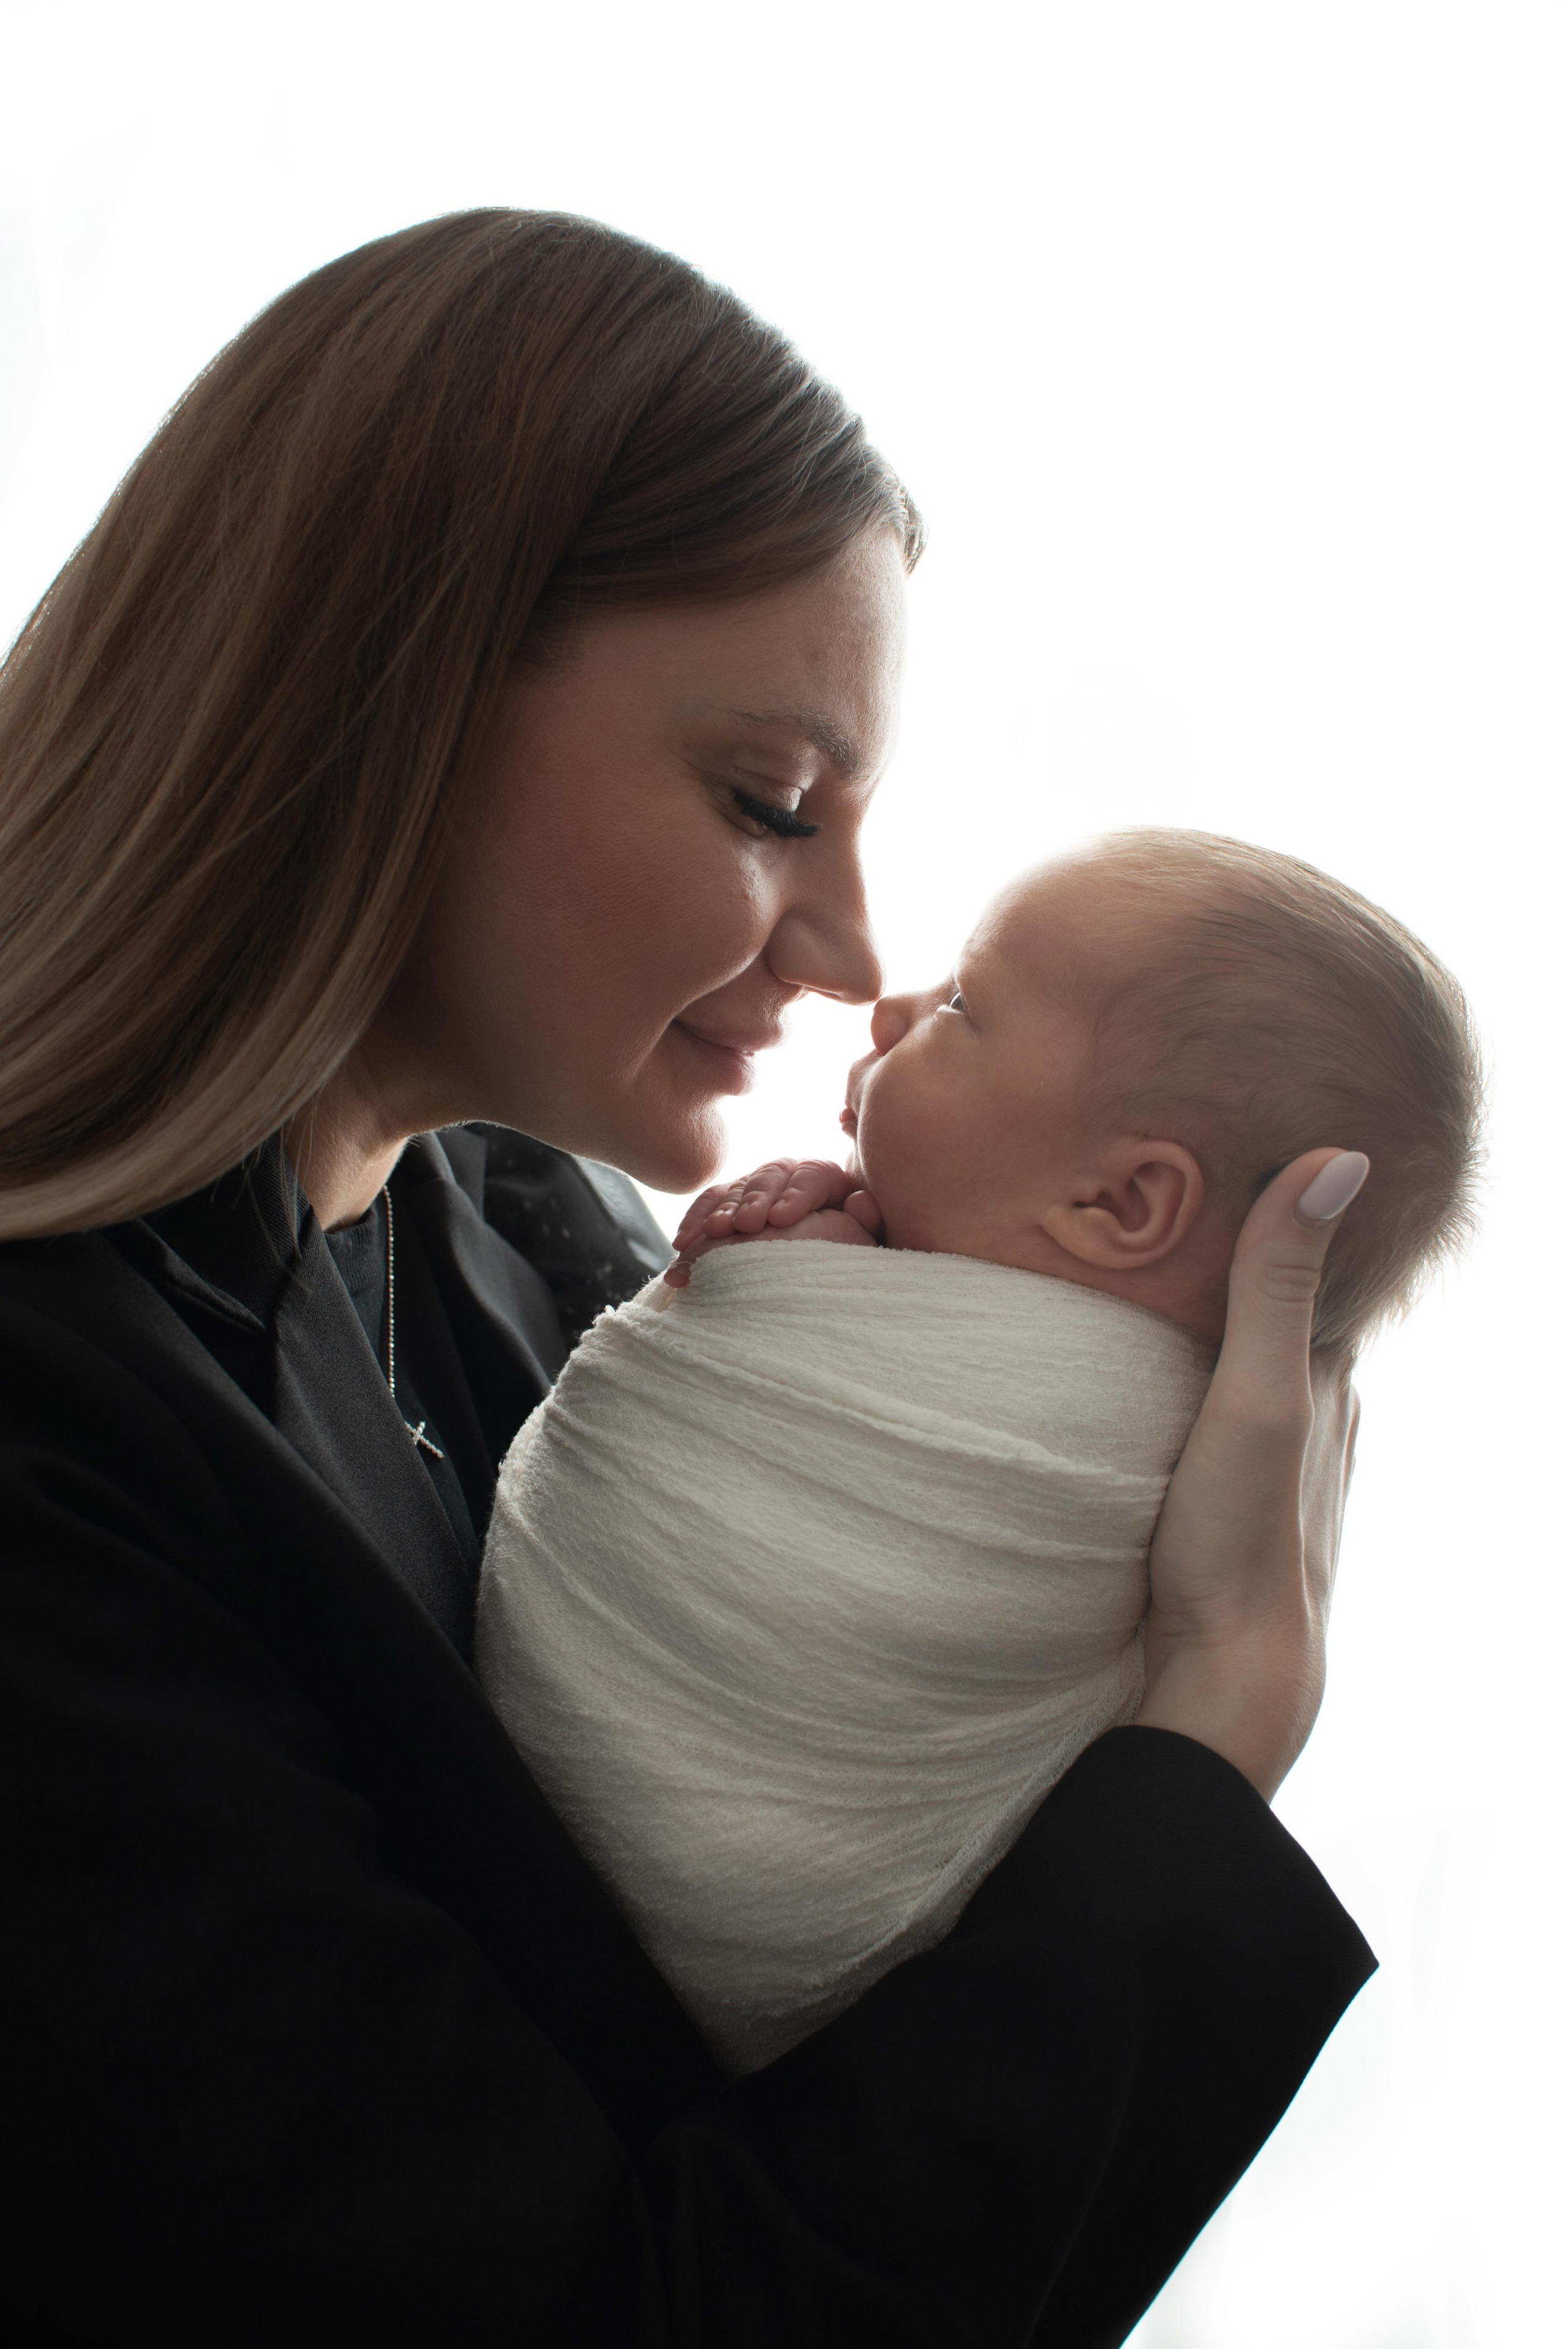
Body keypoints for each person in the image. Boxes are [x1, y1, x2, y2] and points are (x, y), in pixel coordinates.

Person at [0, 209, 1373, 2345]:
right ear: (391, 697)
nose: (853, 951)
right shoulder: (50, 1461)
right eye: (767, 797)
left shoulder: (526, 1240)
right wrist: (1211, 1724)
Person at [477, 829, 1480, 2077]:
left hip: (774, 1944)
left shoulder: (1129, 1440)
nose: (888, 1004)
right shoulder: (937, 1308)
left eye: (961, 1005)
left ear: (1120, 1205)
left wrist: (774, 1269)